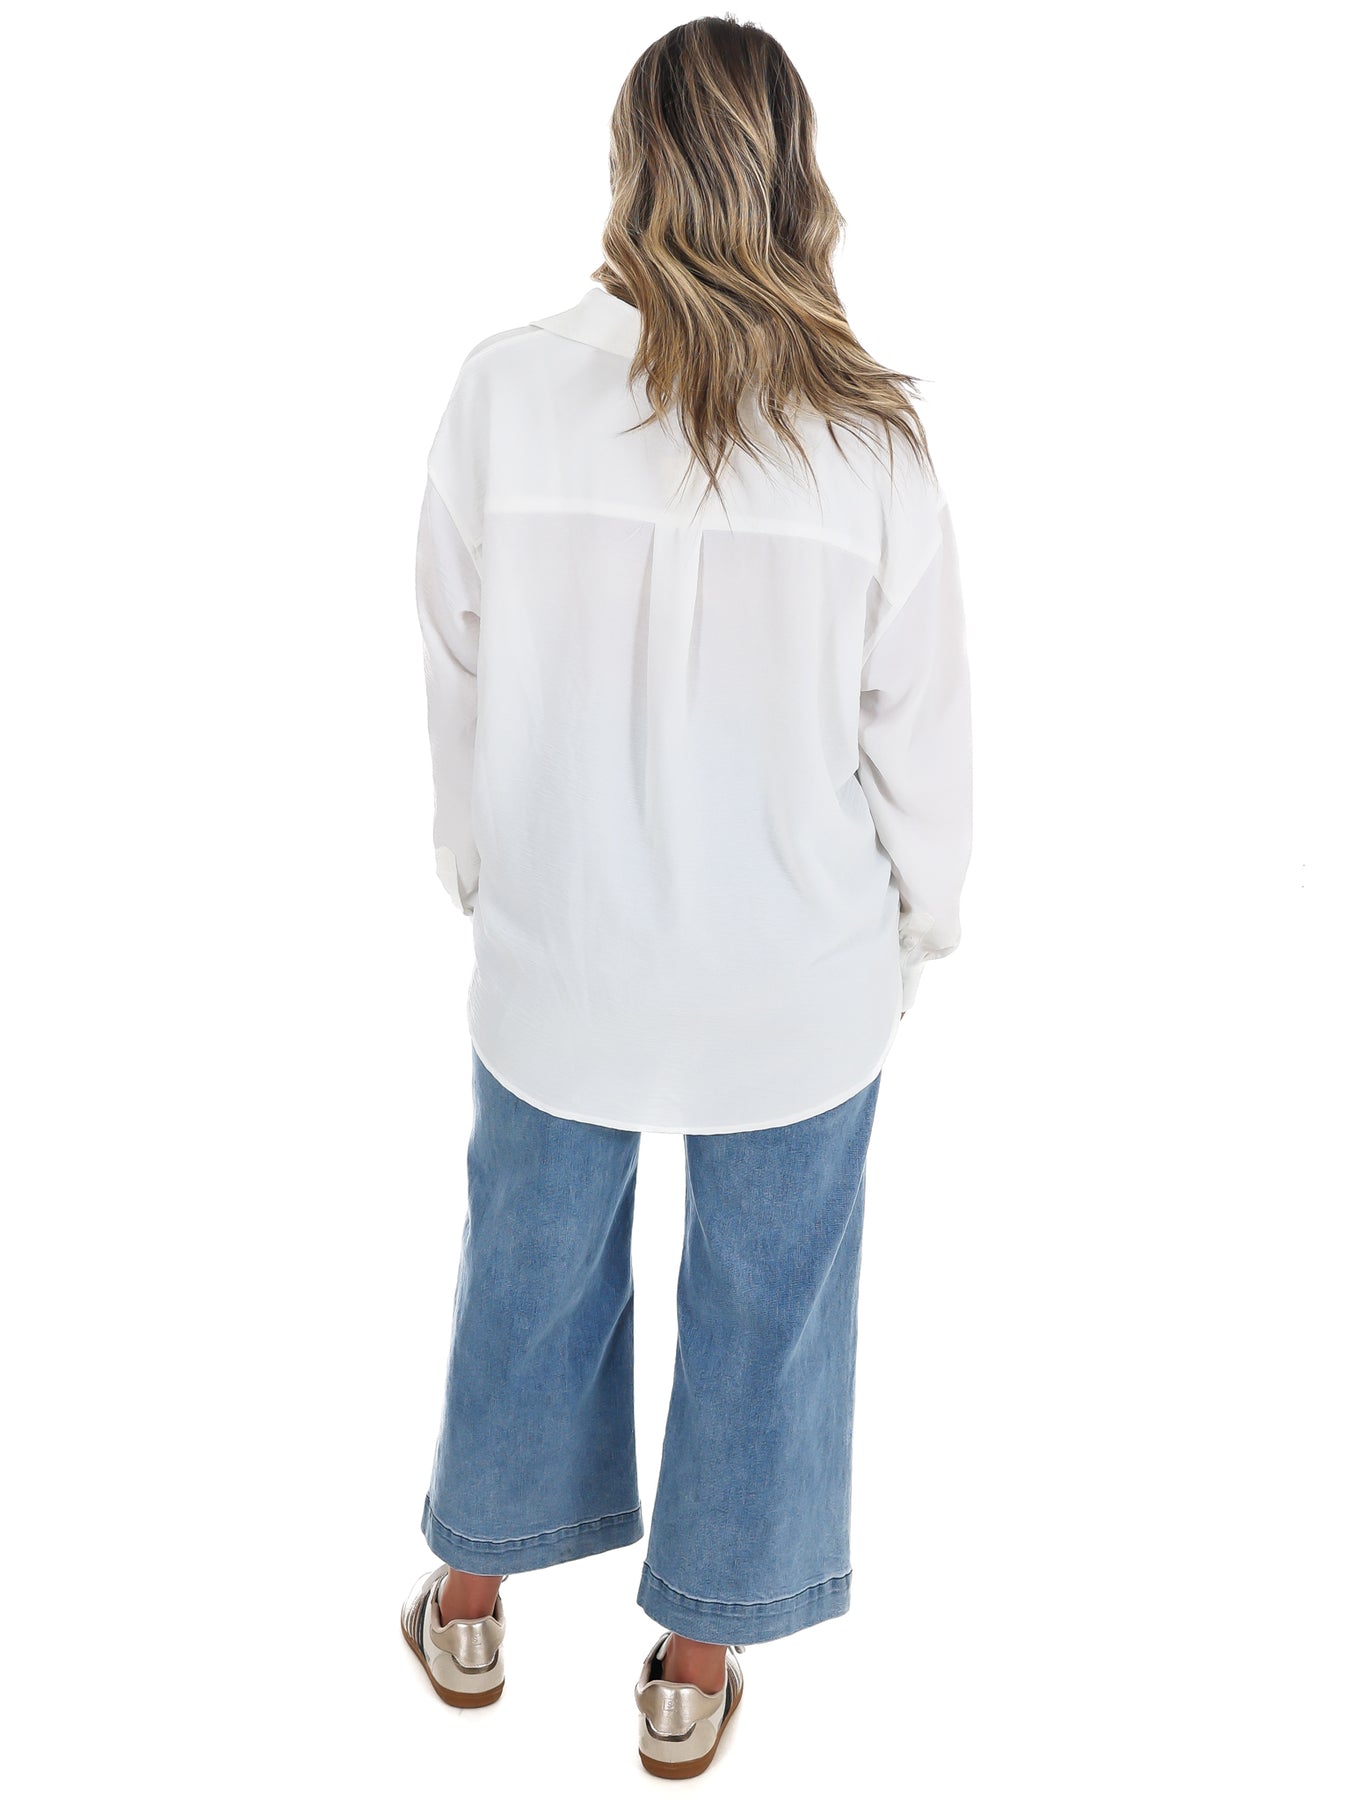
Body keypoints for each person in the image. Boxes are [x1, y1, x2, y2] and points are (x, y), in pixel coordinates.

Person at [400, 13, 973, 1779]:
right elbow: (919, 732)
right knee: (766, 1308)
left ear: (627, 163)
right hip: (790, 970)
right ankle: (692, 1663)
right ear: (797, 178)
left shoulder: (506, 393)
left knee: (526, 1267)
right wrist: (918, 928)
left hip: (562, 949)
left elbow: (454, 661)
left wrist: (481, 868)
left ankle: (470, 1599)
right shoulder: (870, 443)